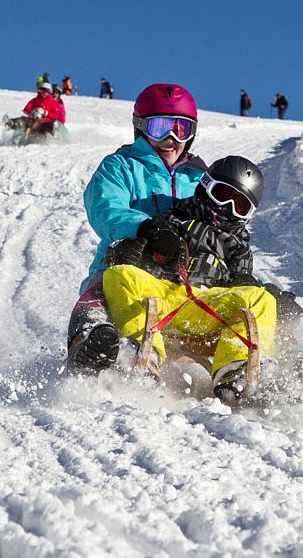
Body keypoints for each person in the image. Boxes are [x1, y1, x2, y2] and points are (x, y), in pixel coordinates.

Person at [100, 156, 303, 400]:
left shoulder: (238, 249)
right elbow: (129, 254)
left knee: (261, 300)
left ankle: (241, 370)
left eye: (240, 205)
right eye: (222, 194)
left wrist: (272, 296)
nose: (227, 208)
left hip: (210, 308)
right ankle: (141, 353)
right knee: (119, 274)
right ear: (205, 187)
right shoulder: (169, 222)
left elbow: (243, 285)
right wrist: (135, 249)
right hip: (166, 298)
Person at [66, 83, 207, 372]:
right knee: (98, 293)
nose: (170, 139)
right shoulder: (121, 166)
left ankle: (280, 363)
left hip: (184, 277)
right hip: (126, 260)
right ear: (141, 128)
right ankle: (90, 344)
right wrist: (145, 227)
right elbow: (104, 206)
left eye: (181, 129)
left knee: (237, 303)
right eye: (160, 128)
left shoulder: (200, 177)